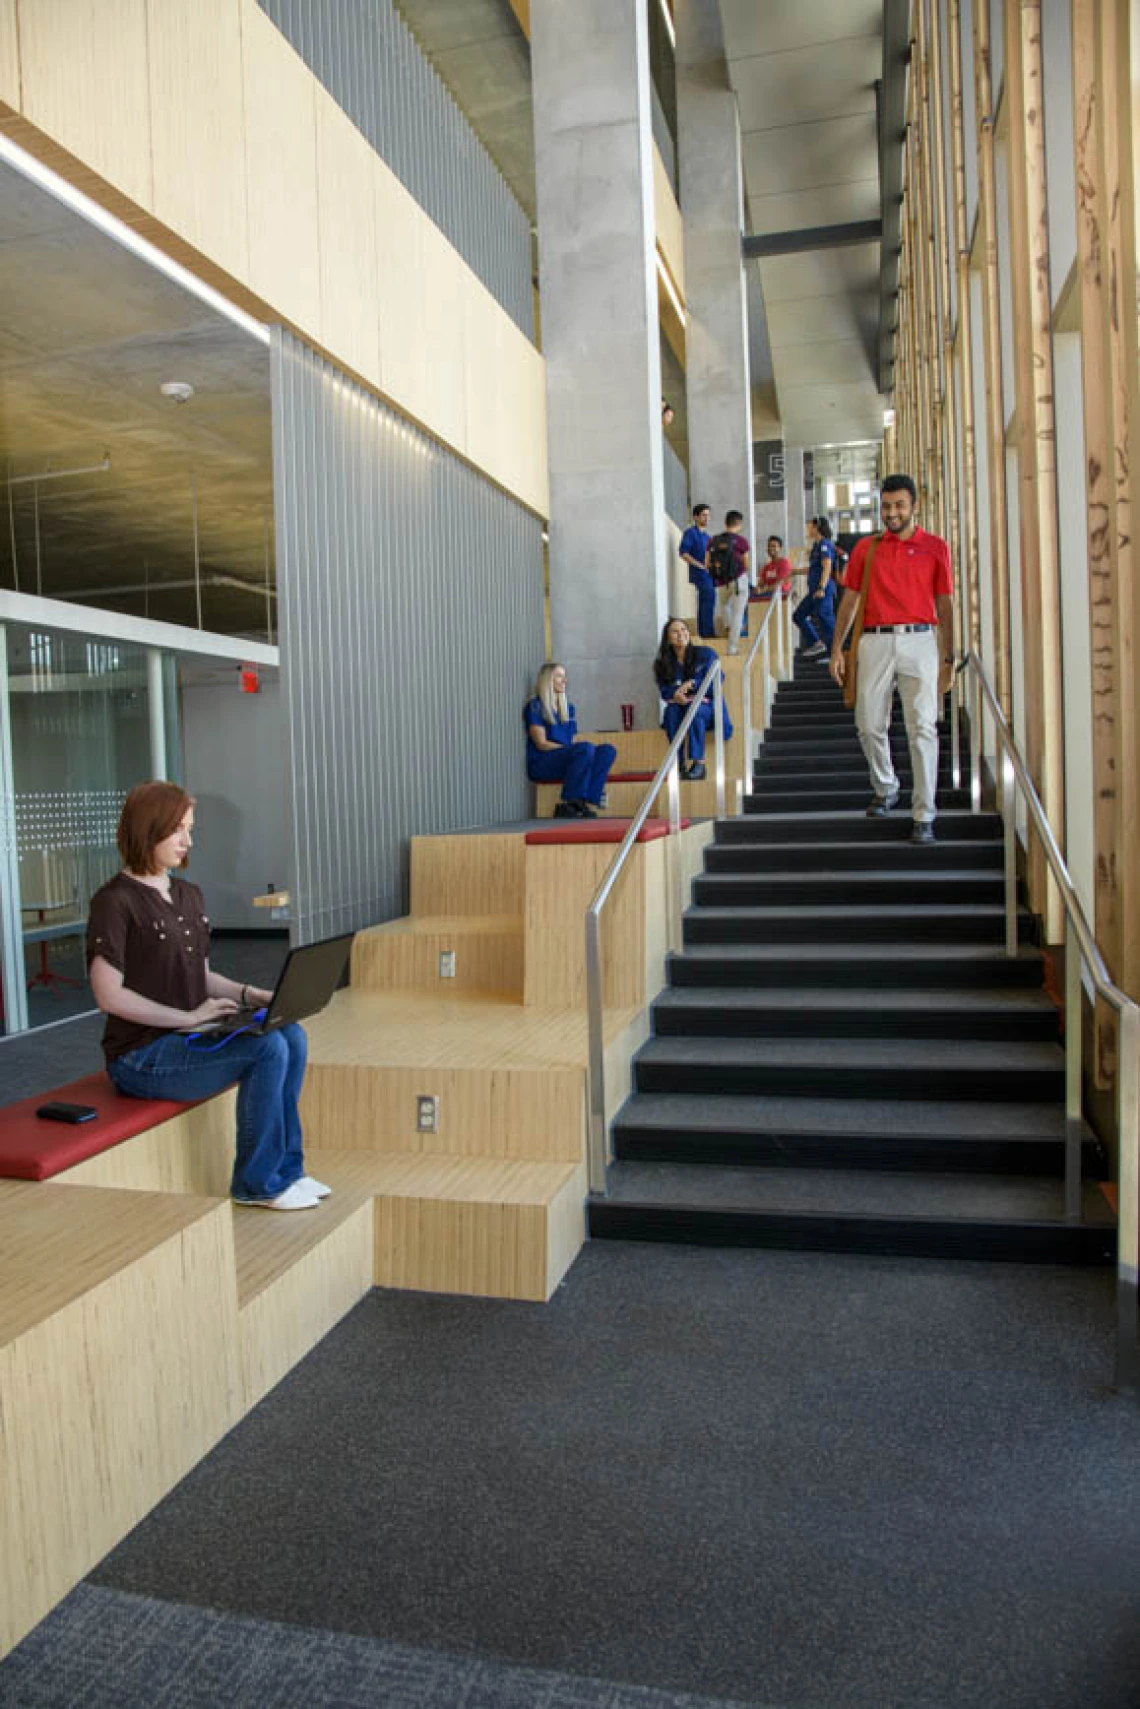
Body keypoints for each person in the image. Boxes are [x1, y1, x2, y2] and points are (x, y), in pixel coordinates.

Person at [86, 781, 324, 1211]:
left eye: (190, 829)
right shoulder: (114, 902)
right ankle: (256, 1183)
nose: (187, 841)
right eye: (177, 829)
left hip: (188, 1034)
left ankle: (289, 1171)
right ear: (148, 829)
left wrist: (255, 996)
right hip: (141, 1055)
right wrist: (188, 1018)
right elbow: (109, 997)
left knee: (290, 1034)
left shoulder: (186, 894)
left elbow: (202, 976)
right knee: (267, 1049)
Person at [829, 473, 955, 845]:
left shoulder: (935, 547)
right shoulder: (867, 549)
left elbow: (945, 602)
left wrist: (949, 655)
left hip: (920, 641)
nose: (892, 512)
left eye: (900, 505)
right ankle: (886, 786)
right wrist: (837, 648)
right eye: (886, 506)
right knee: (868, 723)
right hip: (874, 641)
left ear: (915, 506)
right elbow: (850, 600)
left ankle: (924, 814)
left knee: (923, 728)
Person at [524, 662, 616, 819]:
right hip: (543, 761)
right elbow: (542, 743)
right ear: (547, 680)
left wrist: (578, 753)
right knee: (585, 748)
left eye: (564, 677)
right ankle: (571, 801)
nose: (564, 681)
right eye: (559, 676)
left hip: (567, 759)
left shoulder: (568, 709)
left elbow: (572, 743)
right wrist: (574, 751)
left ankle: (584, 800)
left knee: (607, 751)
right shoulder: (535, 707)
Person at [653, 617, 733, 781]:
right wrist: (676, 694)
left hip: (707, 710)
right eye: (675, 631)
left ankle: (699, 763)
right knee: (671, 712)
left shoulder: (706, 654)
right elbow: (665, 691)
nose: (681, 634)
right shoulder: (663, 664)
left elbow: (716, 683)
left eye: (684, 630)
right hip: (681, 708)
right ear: (668, 639)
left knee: (694, 709)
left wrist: (693, 685)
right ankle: (679, 764)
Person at [793, 516, 838, 660]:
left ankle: (834, 654)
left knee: (826, 620)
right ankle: (816, 642)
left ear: (816, 527)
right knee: (798, 615)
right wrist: (795, 571)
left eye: (809, 526)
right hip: (814, 591)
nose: (807, 529)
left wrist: (821, 587)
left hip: (822, 590)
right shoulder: (816, 546)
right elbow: (814, 568)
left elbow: (827, 567)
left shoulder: (825, 544)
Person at [707, 510, 751, 655]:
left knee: (724, 606)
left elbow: (707, 563)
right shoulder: (741, 541)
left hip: (721, 581)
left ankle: (729, 626)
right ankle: (732, 648)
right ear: (738, 524)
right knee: (738, 614)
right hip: (738, 580)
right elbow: (746, 564)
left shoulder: (713, 540)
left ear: (725, 523)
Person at [679, 502, 715, 638]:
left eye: (708, 515)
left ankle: (708, 630)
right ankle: (706, 632)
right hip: (699, 573)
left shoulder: (708, 537)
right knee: (707, 596)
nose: (707, 518)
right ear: (695, 517)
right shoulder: (690, 533)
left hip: (708, 573)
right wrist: (698, 565)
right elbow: (683, 553)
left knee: (710, 599)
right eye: (704, 515)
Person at [757, 534, 794, 598]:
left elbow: (780, 584)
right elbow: (761, 583)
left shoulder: (784, 563)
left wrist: (764, 589)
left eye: (774, 546)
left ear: (779, 548)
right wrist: (758, 588)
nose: (770, 548)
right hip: (767, 594)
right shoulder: (767, 567)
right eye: (769, 546)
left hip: (780, 595)